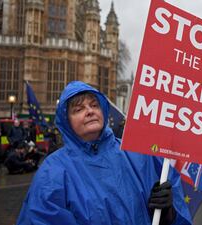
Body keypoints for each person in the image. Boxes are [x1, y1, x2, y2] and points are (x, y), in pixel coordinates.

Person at [17, 81, 191, 225]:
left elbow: (175, 217)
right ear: (66, 121)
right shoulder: (53, 171)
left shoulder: (139, 155)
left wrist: (169, 213)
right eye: (78, 109)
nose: (90, 111)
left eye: (94, 105)